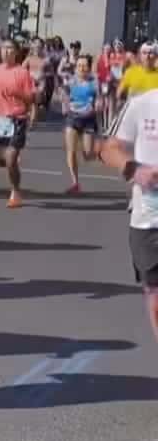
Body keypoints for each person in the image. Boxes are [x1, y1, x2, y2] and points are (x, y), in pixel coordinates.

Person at [101, 89, 158, 343]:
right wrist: (136, 170)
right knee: (156, 300)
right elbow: (109, 149)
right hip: (149, 218)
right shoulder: (141, 104)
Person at [0, 39, 35, 208]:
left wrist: (19, 94)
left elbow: (31, 98)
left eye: (10, 49)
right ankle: (12, 163)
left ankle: (15, 192)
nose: (6, 52)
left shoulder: (22, 72)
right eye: (4, 49)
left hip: (17, 118)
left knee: (10, 158)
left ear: (16, 52)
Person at [61, 54, 99, 193]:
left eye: (84, 66)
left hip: (89, 120)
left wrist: (98, 105)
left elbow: (101, 98)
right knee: (71, 151)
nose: (81, 68)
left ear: (89, 68)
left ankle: (98, 151)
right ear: (75, 67)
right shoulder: (71, 81)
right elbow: (64, 94)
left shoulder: (94, 82)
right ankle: (75, 183)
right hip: (73, 118)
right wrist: (66, 105)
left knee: (87, 154)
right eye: (79, 65)